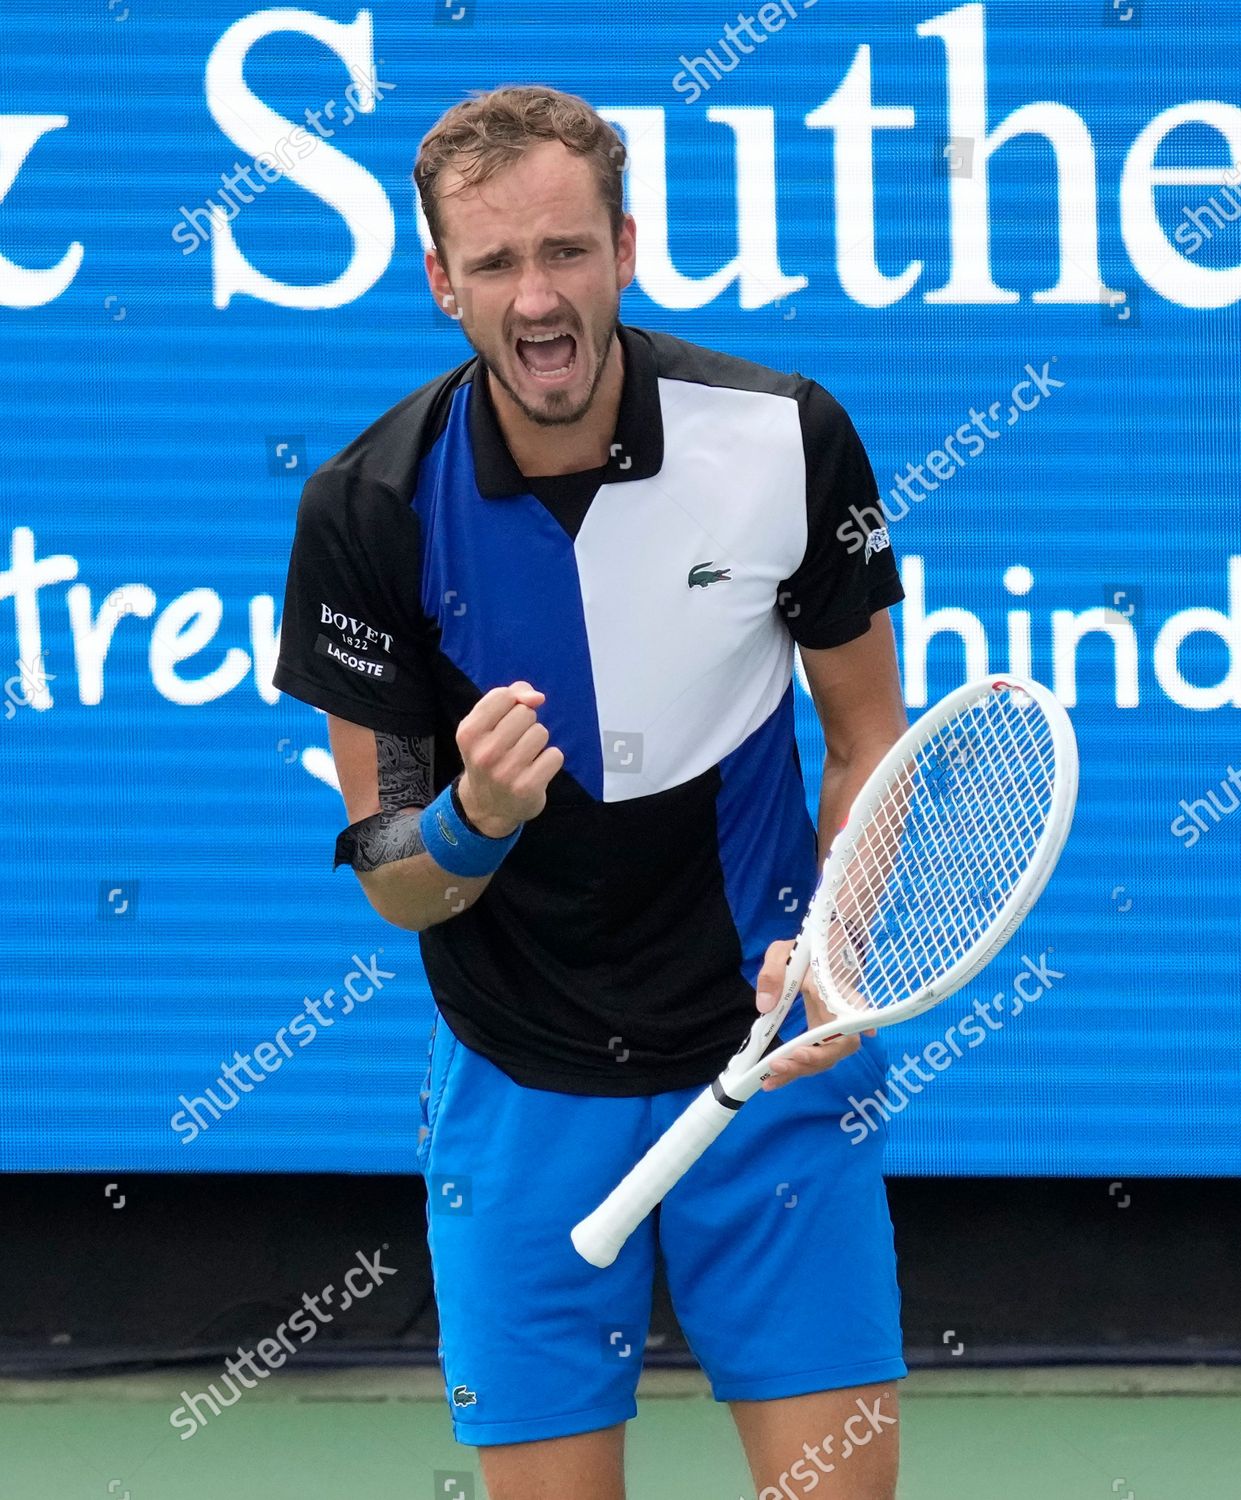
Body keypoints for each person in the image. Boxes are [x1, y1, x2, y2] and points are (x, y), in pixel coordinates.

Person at [273, 83, 908, 1500]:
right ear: (441, 283)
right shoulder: (369, 510)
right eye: (494, 263)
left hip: (771, 1065)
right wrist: (472, 819)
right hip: (518, 1087)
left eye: (566, 251)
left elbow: (865, 735)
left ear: (624, 247)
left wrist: (837, 953)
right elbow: (393, 877)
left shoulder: (787, 439)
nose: (538, 296)